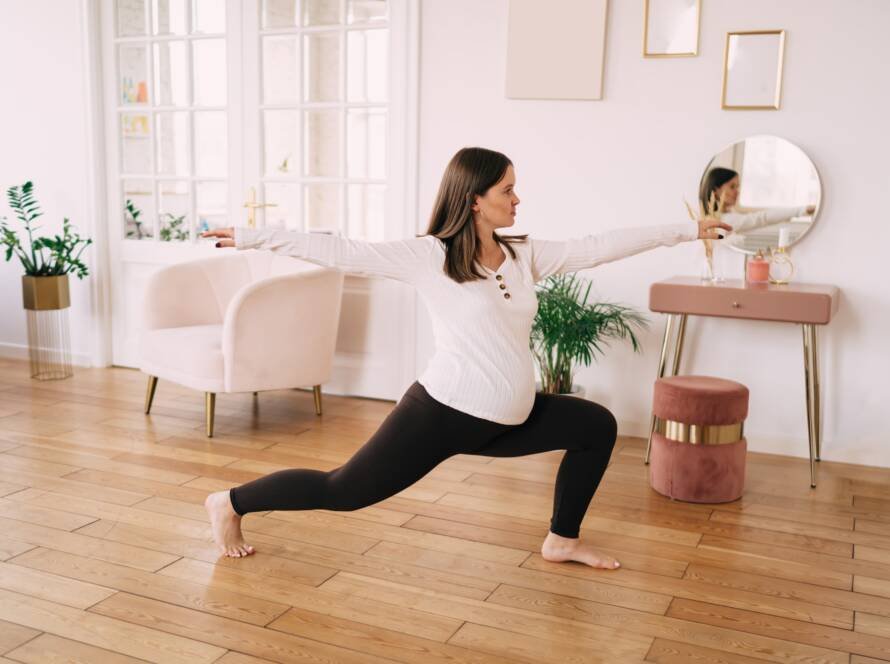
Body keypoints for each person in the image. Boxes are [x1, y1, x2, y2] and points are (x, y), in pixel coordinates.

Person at [201, 147, 730, 568]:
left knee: (595, 426)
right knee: (344, 491)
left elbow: (600, 244)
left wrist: (685, 230)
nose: (517, 199)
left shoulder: (522, 255)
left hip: (507, 418)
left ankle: (562, 541)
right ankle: (230, 502)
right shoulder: (428, 256)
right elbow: (344, 251)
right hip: (443, 414)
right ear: (475, 199)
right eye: (508, 189)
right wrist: (252, 235)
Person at [699, 167, 816, 238]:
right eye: (732, 187)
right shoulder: (724, 222)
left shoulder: (730, 213)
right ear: (716, 190)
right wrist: (802, 210)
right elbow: (761, 218)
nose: (737, 192)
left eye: (738, 186)